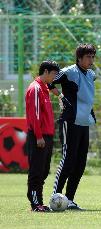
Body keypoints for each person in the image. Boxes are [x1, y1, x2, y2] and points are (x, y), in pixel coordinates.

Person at [48, 43, 97, 210]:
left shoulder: (91, 74)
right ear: (79, 58)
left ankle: (69, 199)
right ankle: (56, 197)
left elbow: (88, 97)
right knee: (68, 160)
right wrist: (60, 96)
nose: (91, 60)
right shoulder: (69, 72)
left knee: (80, 163)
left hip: (84, 123)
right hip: (70, 121)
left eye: (92, 56)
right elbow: (49, 82)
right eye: (88, 57)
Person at [25, 60, 60, 212]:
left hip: (47, 135)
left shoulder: (44, 87)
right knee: (36, 171)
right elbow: (35, 115)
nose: (55, 78)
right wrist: (38, 136)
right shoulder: (36, 89)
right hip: (39, 136)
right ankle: (35, 203)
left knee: (44, 170)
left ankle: (38, 201)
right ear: (46, 72)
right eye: (53, 74)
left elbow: (56, 93)